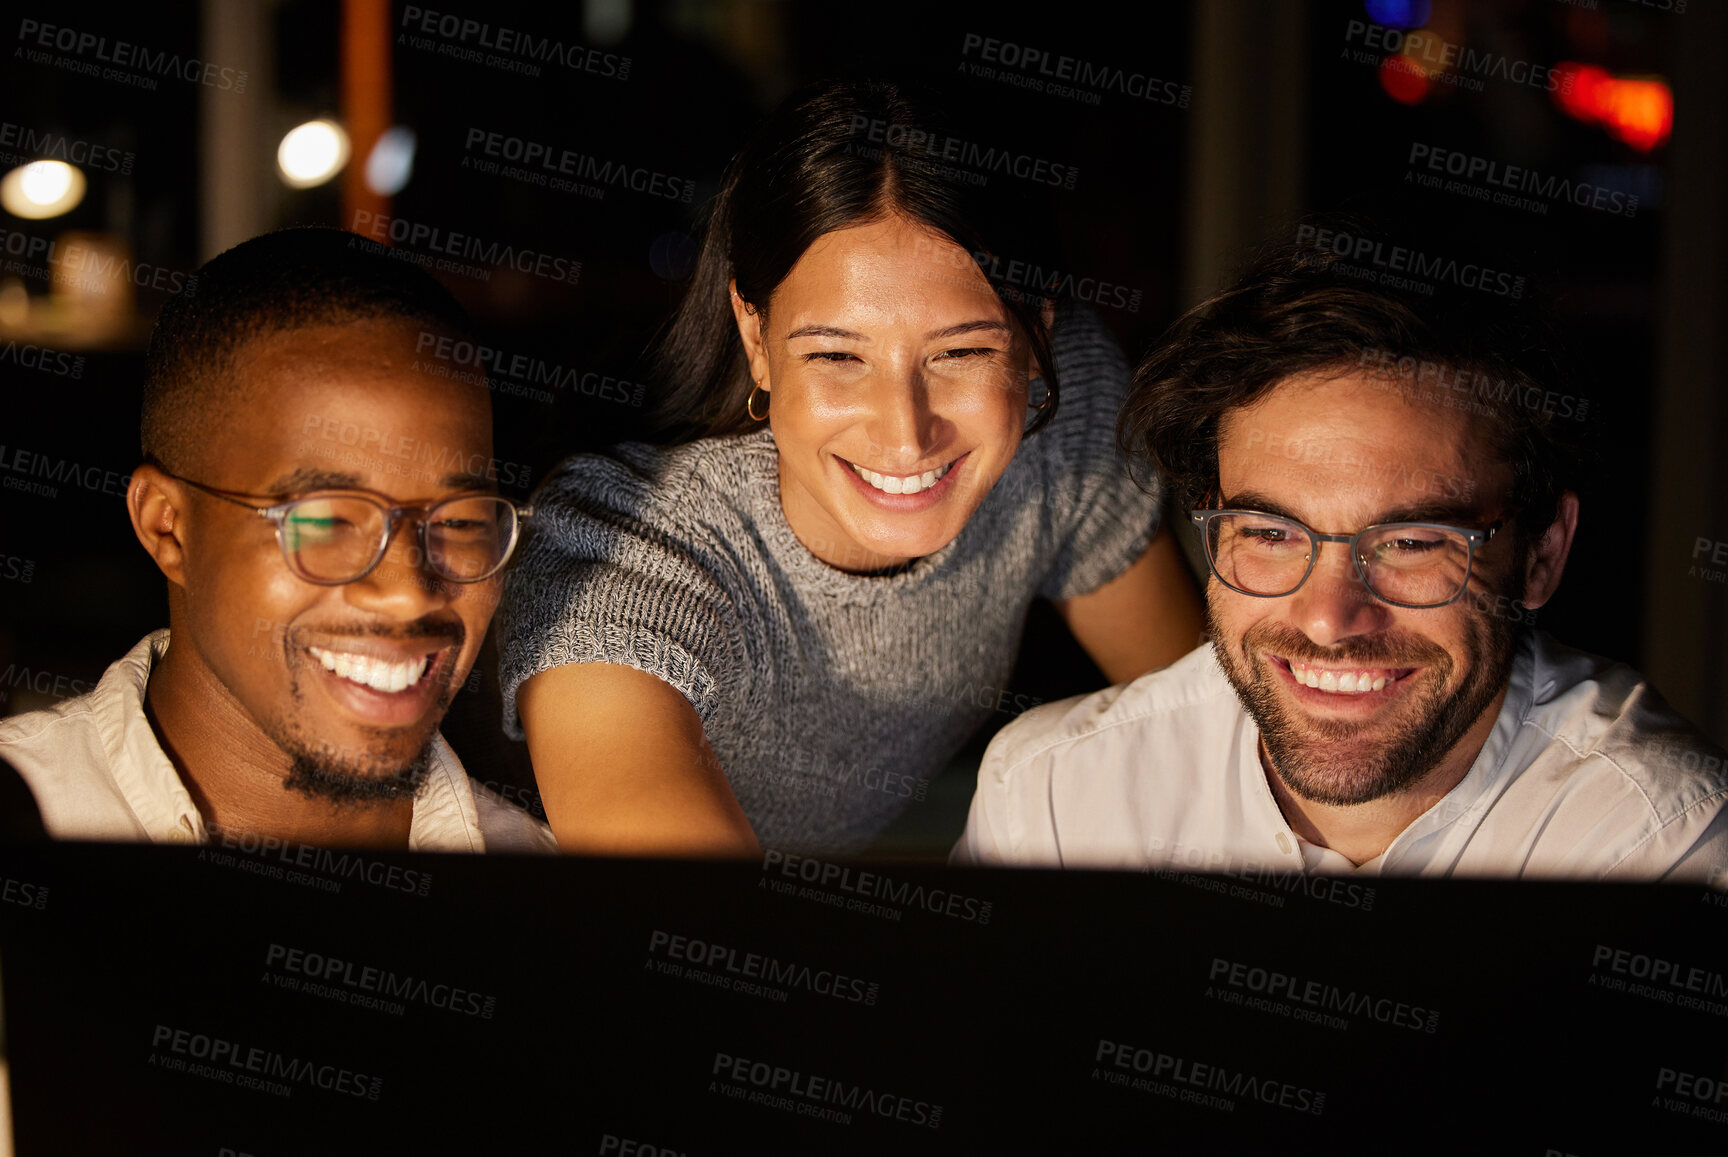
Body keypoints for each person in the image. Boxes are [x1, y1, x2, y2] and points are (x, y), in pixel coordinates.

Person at [496, 78, 1204, 857]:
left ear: (1036, 332)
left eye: (961, 352)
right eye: (837, 355)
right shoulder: (626, 553)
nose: (905, 435)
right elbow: (694, 928)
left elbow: (1206, 743)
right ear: (755, 337)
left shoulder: (1062, 423)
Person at [955, 231, 1728, 880]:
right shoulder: (1051, 801)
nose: (1328, 619)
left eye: (1412, 543)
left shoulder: (1654, 842)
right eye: (1269, 532)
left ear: (1542, 555)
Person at [0, 228, 554, 853]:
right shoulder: (27, 830)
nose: (408, 594)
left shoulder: (563, 913)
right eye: (327, 521)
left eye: (459, 522)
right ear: (168, 527)